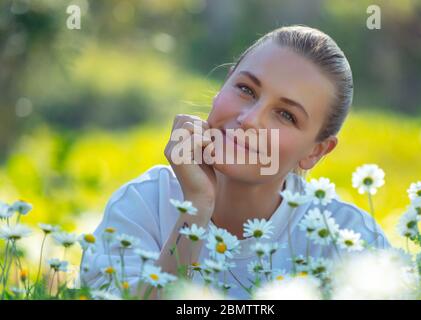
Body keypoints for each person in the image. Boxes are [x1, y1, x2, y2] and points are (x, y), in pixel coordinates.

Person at [80, 25, 390, 299]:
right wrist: (197, 204)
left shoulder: (350, 241)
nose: (250, 120)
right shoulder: (143, 205)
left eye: (286, 115)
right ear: (224, 84)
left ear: (317, 151)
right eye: (245, 89)